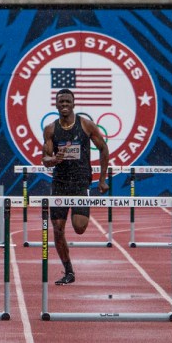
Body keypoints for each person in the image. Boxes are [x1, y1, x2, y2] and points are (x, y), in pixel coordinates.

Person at [41, 88, 110, 285]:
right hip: (60, 182)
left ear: (73, 103)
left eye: (67, 102)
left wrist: (103, 179)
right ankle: (69, 270)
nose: (64, 105)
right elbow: (44, 159)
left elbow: (104, 149)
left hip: (80, 181)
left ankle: (79, 214)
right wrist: (54, 159)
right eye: (61, 102)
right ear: (56, 105)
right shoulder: (50, 130)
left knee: (79, 228)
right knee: (57, 228)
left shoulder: (85, 125)